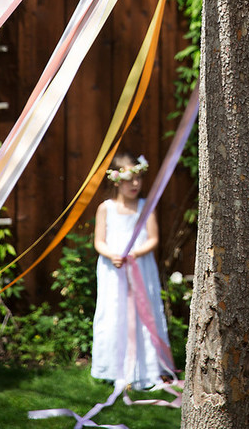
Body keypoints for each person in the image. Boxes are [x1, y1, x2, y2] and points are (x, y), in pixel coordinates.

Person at [91, 151, 173, 389]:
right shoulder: (105, 208)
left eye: (138, 178)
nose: (135, 184)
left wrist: (136, 253)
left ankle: (147, 365)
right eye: (128, 179)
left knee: (143, 310)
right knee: (113, 311)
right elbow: (99, 241)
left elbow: (153, 238)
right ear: (116, 180)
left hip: (140, 267)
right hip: (113, 270)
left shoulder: (145, 206)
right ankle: (112, 366)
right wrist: (111, 255)